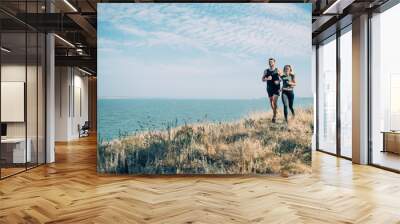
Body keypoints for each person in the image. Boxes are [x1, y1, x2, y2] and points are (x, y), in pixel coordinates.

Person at [262, 58, 281, 123]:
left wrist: (278, 81)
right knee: (271, 102)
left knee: (275, 102)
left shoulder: (277, 70)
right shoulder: (266, 71)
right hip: (269, 88)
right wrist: (267, 78)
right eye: (269, 62)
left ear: (274, 63)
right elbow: (262, 79)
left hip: (276, 88)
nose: (270, 63)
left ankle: (274, 116)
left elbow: (282, 78)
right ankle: (275, 111)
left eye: (272, 62)